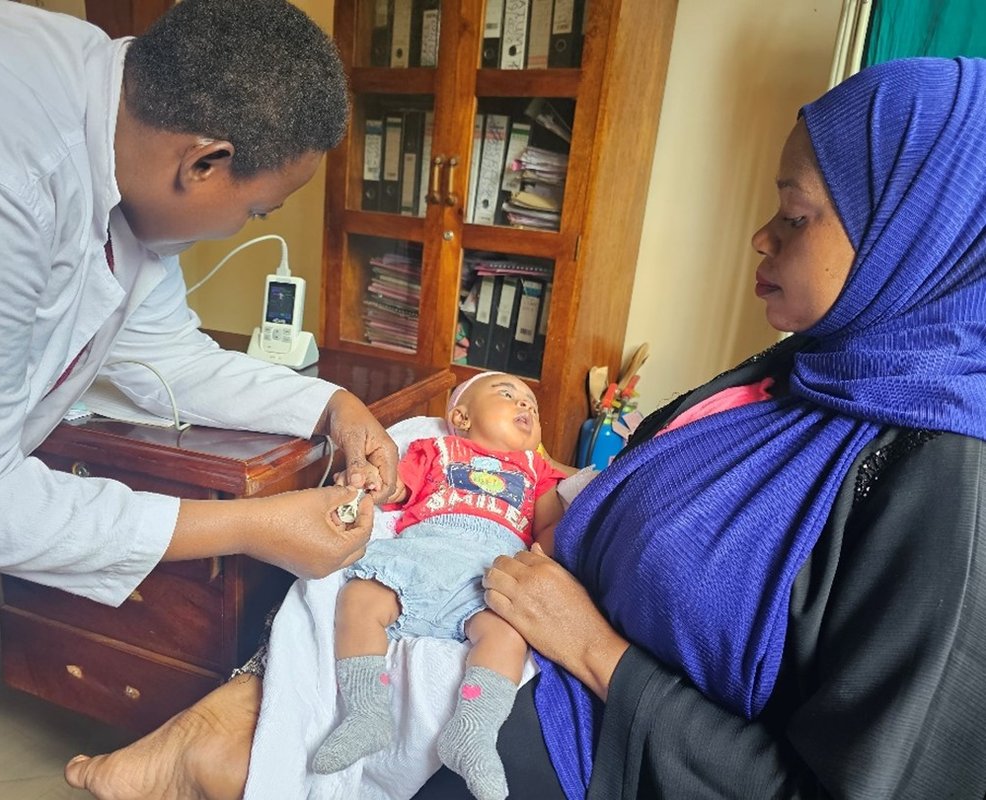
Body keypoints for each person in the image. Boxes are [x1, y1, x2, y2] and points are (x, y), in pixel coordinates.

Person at [67, 56, 986, 800]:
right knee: (342, 602)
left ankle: (227, 744)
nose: (760, 237)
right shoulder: (803, 369)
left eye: (795, 216)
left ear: (919, 238)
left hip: (592, 719)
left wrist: (591, 644)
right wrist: (352, 427)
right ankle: (232, 723)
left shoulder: (938, 478)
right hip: (527, 620)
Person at [0, 0, 400, 794]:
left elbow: (164, 354)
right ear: (204, 162)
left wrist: (331, 406)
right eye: (255, 210)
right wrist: (248, 528)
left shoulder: (120, 113)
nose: (247, 229)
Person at [311, 373, 566, 800]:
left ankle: (472, 729)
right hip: (424, 551)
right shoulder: (439, 450)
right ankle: (367, 712)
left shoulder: (537, 471)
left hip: (488, 569)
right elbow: (398, 487)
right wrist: (373, 484)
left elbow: (553, 527)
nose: (526, 406)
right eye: (508, 395)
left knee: (508, 633)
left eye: (533, 407)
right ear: (461, 416)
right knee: (360, 597)